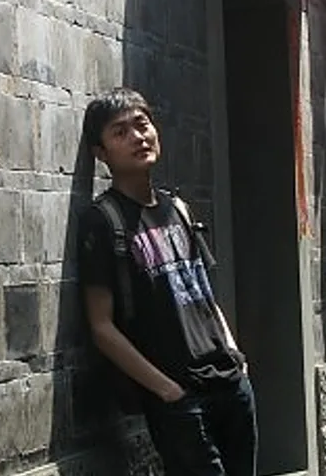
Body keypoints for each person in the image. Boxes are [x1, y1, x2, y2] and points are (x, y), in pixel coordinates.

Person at [78, 88, 257, 476]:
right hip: (180, 400)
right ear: (100, 153)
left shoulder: (178, 208)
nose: (138, 137)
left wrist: (235, 356)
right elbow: (101, 327)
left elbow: (203, 293)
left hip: (230, 384)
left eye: (142, 125)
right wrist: (166, 390)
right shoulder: (103, 221)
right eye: (120, 132)